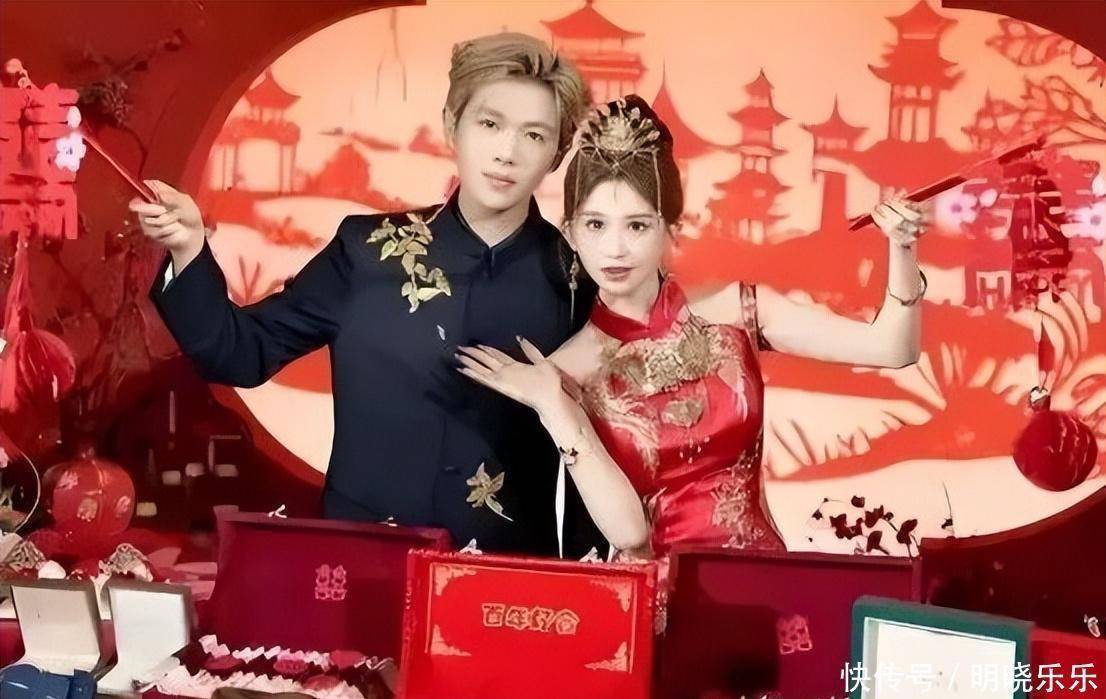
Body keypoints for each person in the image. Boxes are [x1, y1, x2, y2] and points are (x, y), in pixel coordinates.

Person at [131, 33, 606, 557]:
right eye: (489, 124)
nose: (507, 153)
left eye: (534, 135)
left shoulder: (577, 280)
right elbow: (239, 352)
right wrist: (188, 249)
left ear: (558, 154)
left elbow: (604, 454)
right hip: (363, 563)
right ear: (452, 124)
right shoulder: (366, 252)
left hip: (504, 577)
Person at [457, 95, 927, 559]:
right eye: (596, 225)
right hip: (654, 590)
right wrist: (556, 408)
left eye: (637, 226)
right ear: (571, 233)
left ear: (671, 229)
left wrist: (902, 249)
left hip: (761, 579)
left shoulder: (737, 311)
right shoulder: (568, 370)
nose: (615, 249)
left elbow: (892, 348)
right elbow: (628, 534)